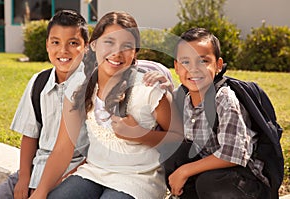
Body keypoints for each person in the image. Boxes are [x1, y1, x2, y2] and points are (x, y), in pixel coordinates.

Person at [29, 11, 182, 199]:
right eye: (109, 42)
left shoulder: (148, 89)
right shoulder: (80, 89)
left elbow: (177, 137)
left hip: (138, 178)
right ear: (93, 45)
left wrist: (140, 134)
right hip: (94, 172)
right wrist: (41, 191)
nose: (117, 52)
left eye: (127, 46)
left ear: (135, 52)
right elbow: (62, 149)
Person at [0, 10, 90, 199]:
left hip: (74, 172)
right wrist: (24, 178)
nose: (63, 50)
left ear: (86, 47)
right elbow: (30, 135)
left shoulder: (92, 87)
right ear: (47, 45)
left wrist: (50, 185)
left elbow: (93, 154)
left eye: (73, 43)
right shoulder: (39, 82)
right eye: (55, 42)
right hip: (36, 168)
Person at [164, 27, 270, 198]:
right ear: (176, 67)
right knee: (172, 155)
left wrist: (184, 171)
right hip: (210, 172)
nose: (193, 69)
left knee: (210, 182)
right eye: (185, 62)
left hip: (243, 181)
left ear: (218, 65)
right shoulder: (181, 96)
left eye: (203, 61)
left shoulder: (224, 99)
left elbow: (233, 154)